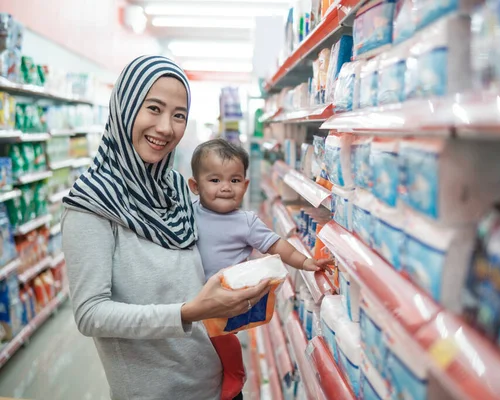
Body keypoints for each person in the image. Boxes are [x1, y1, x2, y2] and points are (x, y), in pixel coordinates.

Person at [61, 55, 270, 400]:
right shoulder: (91, 202)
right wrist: (187, 313)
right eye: (153, 108)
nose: (166, 128)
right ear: (124, 106)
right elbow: (90, 314)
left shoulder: (176, 186)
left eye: (178, 115)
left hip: (219, 385)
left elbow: (193, 273)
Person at [187, 139, 332, 398]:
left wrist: (305, 262)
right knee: (197, 342)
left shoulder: (246, 223)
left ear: (245, 185)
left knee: (223, 338)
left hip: (224, 297)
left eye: (234, 180)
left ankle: (234, 374)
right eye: (215, 180)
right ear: (195, 186)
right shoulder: (187, 213)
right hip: (189, 293)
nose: (225, 188)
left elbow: (278, 246)